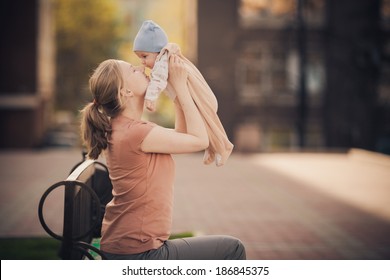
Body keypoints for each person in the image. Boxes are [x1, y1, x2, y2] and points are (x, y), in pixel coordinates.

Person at [80, 57, 246, 260]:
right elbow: (199, 140)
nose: (141, 67)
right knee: (232, 249)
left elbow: (182, 134)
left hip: (125, 247)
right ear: (125, 91)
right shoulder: (135, 133)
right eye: (133, 70)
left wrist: (175, 91)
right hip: (139, 254)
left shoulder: (125, 128)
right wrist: (181, 87)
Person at [133, 20, 233, 167]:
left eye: (144, 56)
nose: (142, 62)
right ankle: (213, 149)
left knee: (209, 123)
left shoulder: (163, 60)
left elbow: (158, 80)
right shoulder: (165, 58)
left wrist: (151, 97)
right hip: (192, 97)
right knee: (206, 124)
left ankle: (224, 147)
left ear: (157, 51)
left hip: (198, 97)